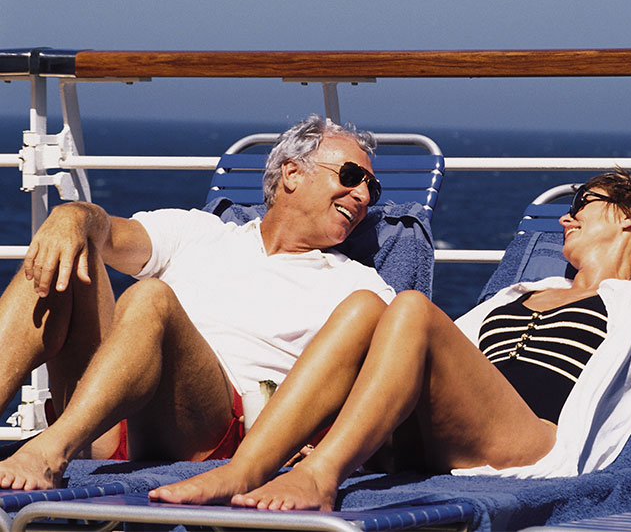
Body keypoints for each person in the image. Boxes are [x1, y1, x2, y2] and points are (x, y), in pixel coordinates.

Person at [150, 143, 631, 511]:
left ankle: (322, 477)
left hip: (530, 444)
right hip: (439, 435)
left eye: (586, 201)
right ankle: (248, 468)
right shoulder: (516, 293)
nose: (568, 214)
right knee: (363, 307)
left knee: (412, 311)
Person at [0, 114, 395, 490]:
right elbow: (109, 236)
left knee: (152, 298)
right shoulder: (201, 233)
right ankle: (60, 437)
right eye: (351, 176)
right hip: (102, 421)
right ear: (292, 174)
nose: (362, 195)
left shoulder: (357, 287)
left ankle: (50, 451)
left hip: (207, 434)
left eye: (371, 189)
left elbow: (387, 383)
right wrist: (72, 216)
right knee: (64, 256)